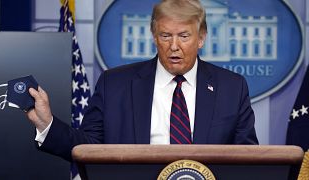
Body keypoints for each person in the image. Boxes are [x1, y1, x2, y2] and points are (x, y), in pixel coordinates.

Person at [27, 0, 258, 162]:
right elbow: (88, 147)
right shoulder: (115, 84)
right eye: (165, 35)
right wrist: (47, 124)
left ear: (201, 38)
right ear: (154, 37)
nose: (174, 46)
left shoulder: (231, 87)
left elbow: (248, 157)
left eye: (184, 36)